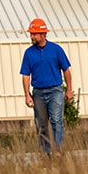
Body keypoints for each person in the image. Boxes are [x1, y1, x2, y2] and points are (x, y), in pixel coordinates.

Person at [20, 18, 73, 155]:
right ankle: (46, 153)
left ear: (43, 34)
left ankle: (58, 151)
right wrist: (27, 95)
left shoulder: (56, 50)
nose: (31, 37)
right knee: (41, 125)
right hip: (38, 93)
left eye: (34, 34)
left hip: (55, 90)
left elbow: (66, 70)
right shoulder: (28, 53)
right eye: (31, 34)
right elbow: (26, 75)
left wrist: (69, 90)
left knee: (56, 121)